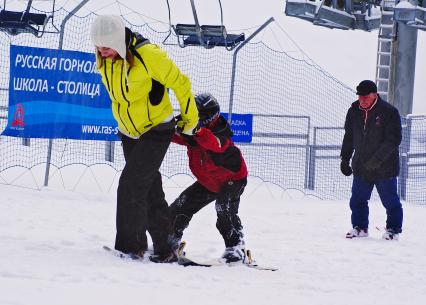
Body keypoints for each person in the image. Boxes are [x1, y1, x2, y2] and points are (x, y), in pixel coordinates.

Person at [90, 15, 199, 262]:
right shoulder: (106, 60)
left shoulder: (148, 55)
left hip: (156, 129)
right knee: (149, 189)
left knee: (131, 184)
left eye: (106, 47)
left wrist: (190, 120)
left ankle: (131, 247)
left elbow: (181, 83)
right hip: (129, 132)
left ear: (118, 41)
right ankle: (166, 246)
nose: (101, 52)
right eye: (97, 47)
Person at [169, 93, 248, 263]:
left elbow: (212, 143)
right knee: (179, 207)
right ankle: (169, 243)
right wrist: (159, 129)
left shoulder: (221, 134)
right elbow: (174, 135)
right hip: (209, 182)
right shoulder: (191, 132)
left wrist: (196, 130)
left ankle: (236, 247)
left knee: (224, 209)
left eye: (195, 114)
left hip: (233, 180)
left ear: (207, 117)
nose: (191, 117)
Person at [340, 80, 403, 240]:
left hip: (385, 168)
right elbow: (349, 136)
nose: (362, 100)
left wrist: (376, 160)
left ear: (375, 94)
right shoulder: (354, 110)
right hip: (361, 166)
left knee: (391, 201)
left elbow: (393, 140)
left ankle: (393, 230)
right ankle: (360, 227)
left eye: (366, 97)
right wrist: (345, 159)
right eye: (360, 97)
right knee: (358, 199)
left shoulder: (389, 112)